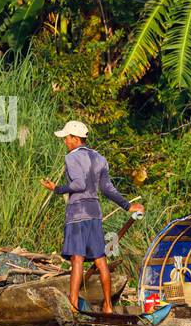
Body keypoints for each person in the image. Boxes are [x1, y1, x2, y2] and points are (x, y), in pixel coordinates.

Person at [41, 120, 144, 313]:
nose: (65, 142)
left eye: (67, 138)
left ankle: (72, 305)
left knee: (77, 259)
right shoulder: (99, 158)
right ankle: (108, 306)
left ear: (75, 138)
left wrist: (57, 189)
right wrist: (127, 205)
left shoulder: (71, 157)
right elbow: (107, 189)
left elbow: (78, 184)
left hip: (77, 214)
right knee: (100, 259)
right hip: (95, 214)